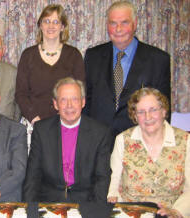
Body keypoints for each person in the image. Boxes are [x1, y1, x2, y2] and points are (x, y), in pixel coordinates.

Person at [107, 88, 190, 218]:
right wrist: (116, 203)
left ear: (164, 111)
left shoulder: (185, 141)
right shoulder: (123, 140)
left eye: (153, 110)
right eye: (141, 112)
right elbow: (115, 180)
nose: (148, 117)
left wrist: (175, 214)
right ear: (134, 116)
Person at [84, 1, 170, 137]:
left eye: (124, 22)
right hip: (98, 143)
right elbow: (86, 103)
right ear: (107, 26)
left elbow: (164, 108)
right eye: (113, 23)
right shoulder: (92, 56)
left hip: (138, 142)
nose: (118, 29)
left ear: (135, 24)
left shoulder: (158, 60)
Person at [23, 77, 112, 202]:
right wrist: (29, 209)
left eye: (74, 99)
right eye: (63, 100)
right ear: (55, 104)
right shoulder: (41, 130)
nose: (69, 105)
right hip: (49, 202)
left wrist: (96, 211)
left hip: (85, 202)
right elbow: (33, 177)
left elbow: (102, 179)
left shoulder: (100, 133)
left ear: (83, 102)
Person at [15, 4, 85, 147]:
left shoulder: (74, 55)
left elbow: (81, 92)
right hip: (34, 125)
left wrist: (66, 118)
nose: (51, 26)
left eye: (56, 21)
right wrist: (37, 121)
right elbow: (20, 94)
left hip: (67, 122)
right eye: (46, 21)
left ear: (62, 26)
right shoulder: (28, 55)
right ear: (40, 25)